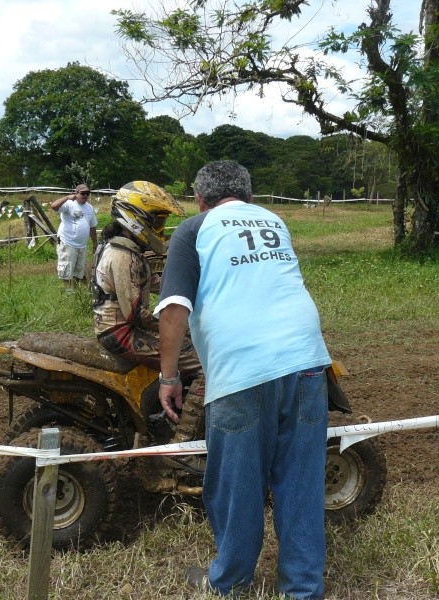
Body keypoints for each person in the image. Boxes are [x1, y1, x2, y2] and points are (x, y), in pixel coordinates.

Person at [154, 160, 332, 599]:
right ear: (249, 196)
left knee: (235, 482)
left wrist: (169, 375)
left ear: (200, 199)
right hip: (307, 360)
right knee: (302, 481)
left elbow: (175, 307)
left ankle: (230, 582)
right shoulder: (275, 219)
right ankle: (303, 588)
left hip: (241, 366)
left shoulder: (194, 228)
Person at [92, 180, 202, 378]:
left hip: (123, 328)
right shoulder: (122, 255)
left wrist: (191, 288)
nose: (161, 229)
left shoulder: (125, 248)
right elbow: (135, 313)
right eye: (158, 222)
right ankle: (189, 409)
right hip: (119, 332)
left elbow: (154, 283)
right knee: (200, 361)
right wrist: (180, 327)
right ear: (136, 217)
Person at [50, 183, 98, 290]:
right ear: (76, 193)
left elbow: (93, 227)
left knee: (79, 272)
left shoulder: (89, 208)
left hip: (82, 246)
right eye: (83, 193)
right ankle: (68, 294)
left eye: (87, 193)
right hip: (67, 243)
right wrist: (67, 197)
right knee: (67, 272)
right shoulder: (69, 204)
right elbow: (54, 206)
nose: (85, 196)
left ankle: (76, 293)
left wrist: (95, 243)